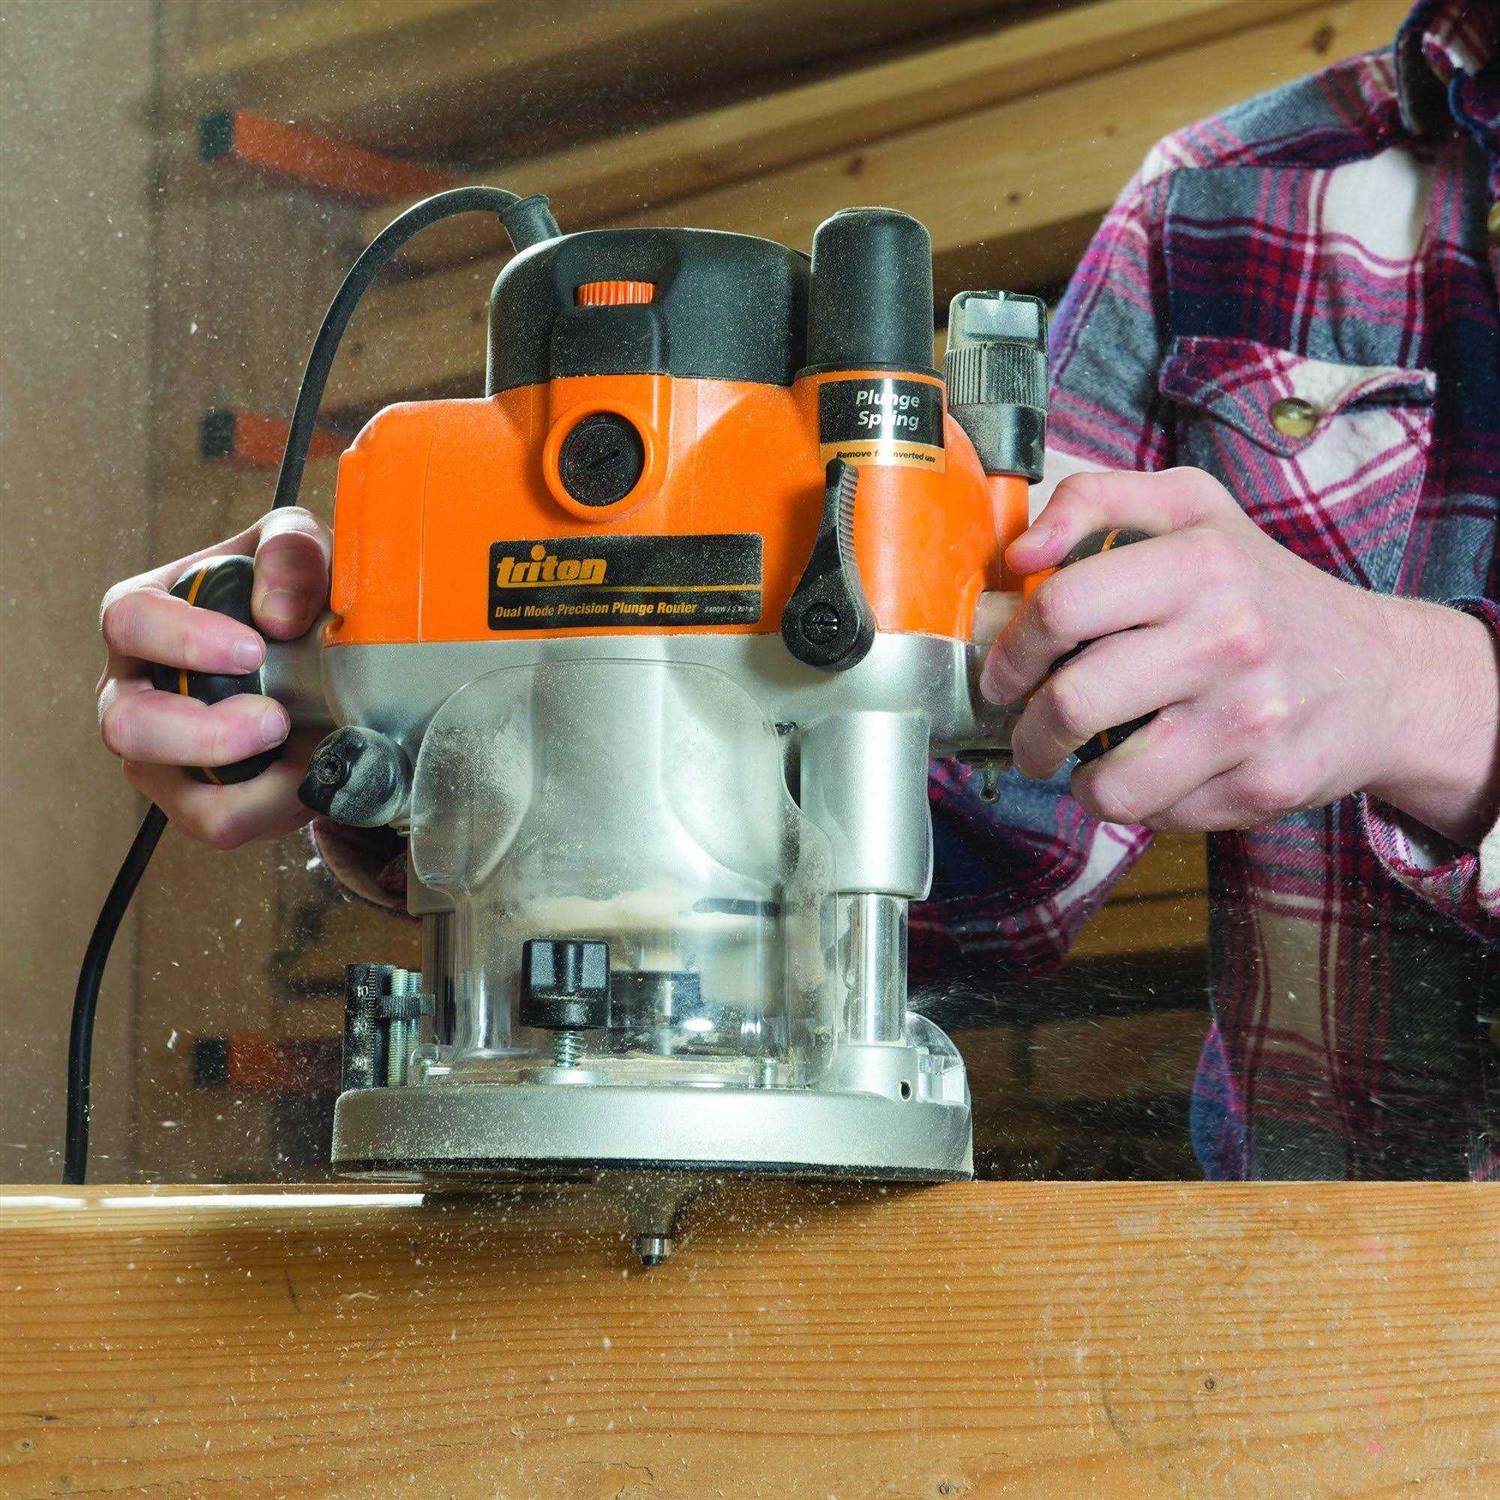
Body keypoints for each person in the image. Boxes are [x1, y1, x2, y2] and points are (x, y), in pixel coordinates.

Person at [97, 0, 1497, 1180]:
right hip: (1311, 1306)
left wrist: (1432, 695)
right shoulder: (1218, 198)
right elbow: (998, 830)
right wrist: (370, 699)